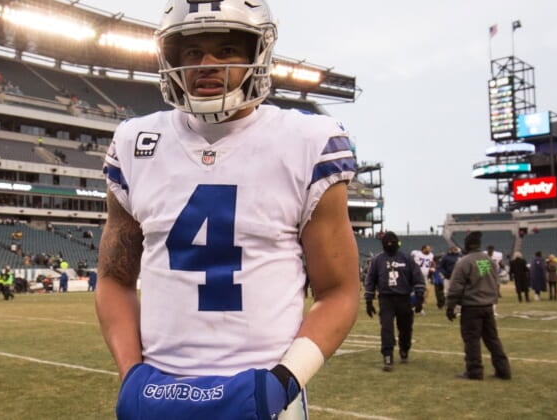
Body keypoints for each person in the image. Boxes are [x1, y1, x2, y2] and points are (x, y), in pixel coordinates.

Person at [95, 1, 360, 418]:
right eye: (192, 51)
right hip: (161, 393)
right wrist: (132, 376)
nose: (207, 65)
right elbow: (114, 279)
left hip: (263, 392)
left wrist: (282, 382)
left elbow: (339, 292)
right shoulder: (134, 142)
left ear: (258, 53)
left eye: (226, 50)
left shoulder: (307, 140)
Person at [446, 231, 511, 380]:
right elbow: (495, 281)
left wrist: (450, 306)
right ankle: (503, 370)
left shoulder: (464, 262)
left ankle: (474, 371)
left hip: (471, 306)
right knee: (492, 339)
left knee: (472, 340)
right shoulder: (488, 260)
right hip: (488, 305)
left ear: (467, 245)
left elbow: (456, 286)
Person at [364, 231, 426, 371]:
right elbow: (370, 280)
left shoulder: (407, 258)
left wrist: (419, 297)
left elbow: (417, 277)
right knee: (386, 328)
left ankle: (404, 349)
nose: (390, 245)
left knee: (405, 328)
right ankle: (388, 355)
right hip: (386, 299)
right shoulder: (377, 260)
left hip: (404, 298)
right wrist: (369, 300)